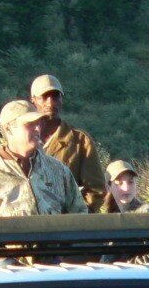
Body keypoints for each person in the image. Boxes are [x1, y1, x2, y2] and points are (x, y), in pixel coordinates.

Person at [0, 100, 88, 217]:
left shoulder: (58, 171)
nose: (37, 129)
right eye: (30, 124)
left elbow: (79, 216)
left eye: (38, 123)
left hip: (54, 240)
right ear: (8, 129)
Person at [29, 74, 107, 212]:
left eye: (55, 96)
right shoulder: (25, 141)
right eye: (44, 96)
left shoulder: (79, 142)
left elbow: (96, 189)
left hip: (65, 226)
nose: (51, 102)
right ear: (33, 99)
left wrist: (76, 217)